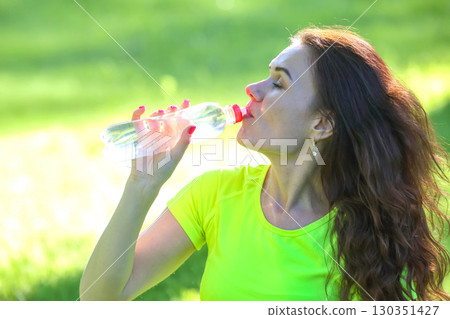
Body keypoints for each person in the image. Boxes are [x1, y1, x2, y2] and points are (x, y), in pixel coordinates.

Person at [79, 26, 449, 301]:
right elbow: (99, 299)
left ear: (321, 123)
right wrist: (142, 184)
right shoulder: (216, 193)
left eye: (279, 83)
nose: (252, 90)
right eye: (265, 74)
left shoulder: (366, 236)